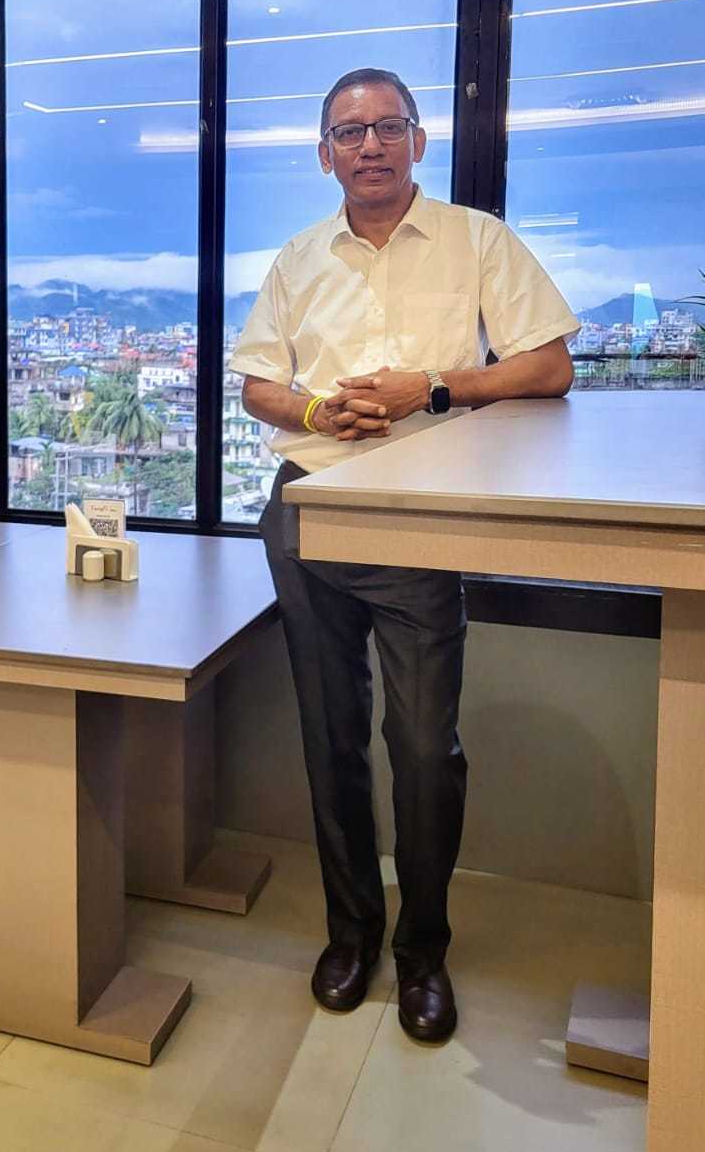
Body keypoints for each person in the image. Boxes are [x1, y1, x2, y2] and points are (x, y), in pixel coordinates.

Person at [229, 67, 579, 1045]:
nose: (371, 146)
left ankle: (424, 949)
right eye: (350, 133)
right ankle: (351, 934)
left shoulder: (476, 238)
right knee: (330, 735)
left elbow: (550, 365)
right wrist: (316, 409)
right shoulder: (299, 258)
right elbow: (257, 384)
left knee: (425, 749)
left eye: (389, 127)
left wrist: (432, 389)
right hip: (308, 507)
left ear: (420, 141)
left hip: (420, 515)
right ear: (325, 155)